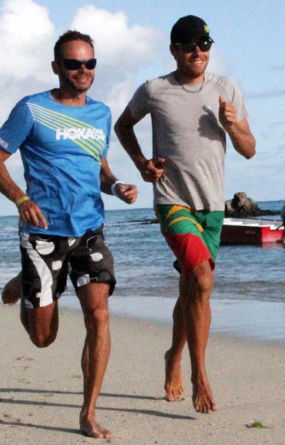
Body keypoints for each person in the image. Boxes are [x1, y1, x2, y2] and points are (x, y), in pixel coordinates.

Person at [0, 30, 137, 439]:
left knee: (98, 315)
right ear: (57, 67)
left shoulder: (101, 114)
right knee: (43, 338)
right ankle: (28, 284)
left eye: (90, 63)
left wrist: (117, 185)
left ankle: (88, 413)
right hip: (42, 234)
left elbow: (99, 166)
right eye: (73, 64)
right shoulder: (32, 109)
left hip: (89, 231)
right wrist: (19, 198)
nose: (83, 71)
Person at [114, 15, 256, 414]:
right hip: (172, 201)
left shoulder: (226, 89)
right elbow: (123, 126)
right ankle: (200, 376)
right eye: (190, 45)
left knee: (191, 290)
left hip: (212, 208)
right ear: (174, 50)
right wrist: (143, 163)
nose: (199, 52)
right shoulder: (155, 90)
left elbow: (249, 149)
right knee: (203, 280)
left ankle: (172, 358)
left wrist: (232, 126)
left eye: (205, 44)